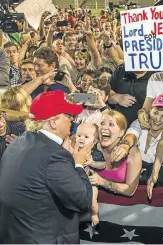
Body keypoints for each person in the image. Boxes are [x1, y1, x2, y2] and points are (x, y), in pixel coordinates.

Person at [0, 90, 93, 243]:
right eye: (69, 116)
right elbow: (83, 200)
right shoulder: (55, 155)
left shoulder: (18, 142)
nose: (73, 121)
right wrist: (78, 163)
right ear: (53, 121)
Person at [87, 110, 142, 225]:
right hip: (90, 215)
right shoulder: (90, 147)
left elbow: (130, 190)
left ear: (122, 132)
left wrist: (102, 182)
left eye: (111, 124)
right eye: (102, 123)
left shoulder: (133, 153)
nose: (104, 128)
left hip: (122, 216)